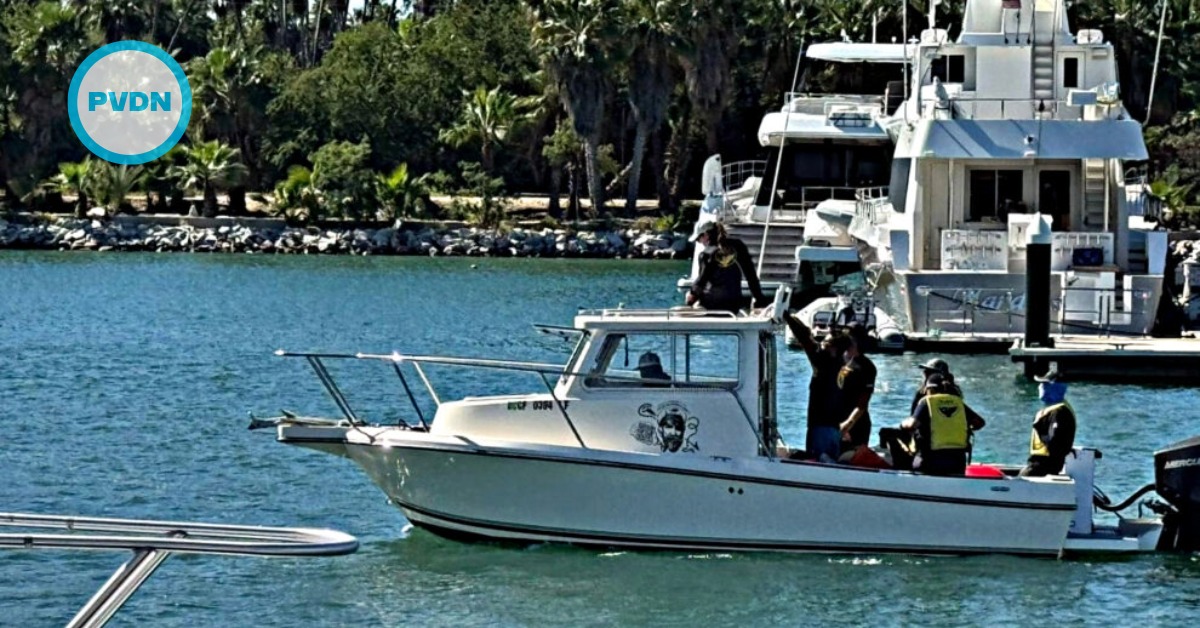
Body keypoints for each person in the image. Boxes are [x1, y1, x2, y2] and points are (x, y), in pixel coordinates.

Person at [781, 310, 843, 462]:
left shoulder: (822, 362)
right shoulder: (841, 364)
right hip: (834, 428)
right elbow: (807, 335)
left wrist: (787, 316)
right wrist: (791, 317)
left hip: (820, 427)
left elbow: (804, 338)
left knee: (818, 462)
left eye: (825, 343)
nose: (821, 345)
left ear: (833, 350)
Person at [902, 374, 987, 476]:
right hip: (957, 463)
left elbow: (912, 425)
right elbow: (980, 422)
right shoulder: (958, 402)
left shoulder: (928, 402)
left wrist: (903, 424)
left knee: (905, 461)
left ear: (930, 389)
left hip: (930, 462)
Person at [686, 219, 767, 313]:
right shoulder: (738, 246)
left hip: (712, 304)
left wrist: (691, 297)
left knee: (690, 296)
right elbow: (751, 276)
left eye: (698, 239)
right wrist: (759, 298)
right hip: (734, 305)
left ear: (706, 235)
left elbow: (701, 281)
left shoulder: (706, 254)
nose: (699, 242)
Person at [1020, 369, 1077, 477]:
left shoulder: (1059, 412)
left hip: (1044, 466)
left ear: (1054, 387)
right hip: (1038, 463)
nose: (1040, 387)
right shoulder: (1053, 409)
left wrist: (1040, 428)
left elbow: (1055, 444)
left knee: (1019, 480)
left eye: (1044, 384)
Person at [833, 323, 876, 458]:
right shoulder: (838, 359)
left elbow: (863, 403)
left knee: (850, 459)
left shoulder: (866, 367)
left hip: (856, 424)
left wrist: (847, 424)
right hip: (835, 419)